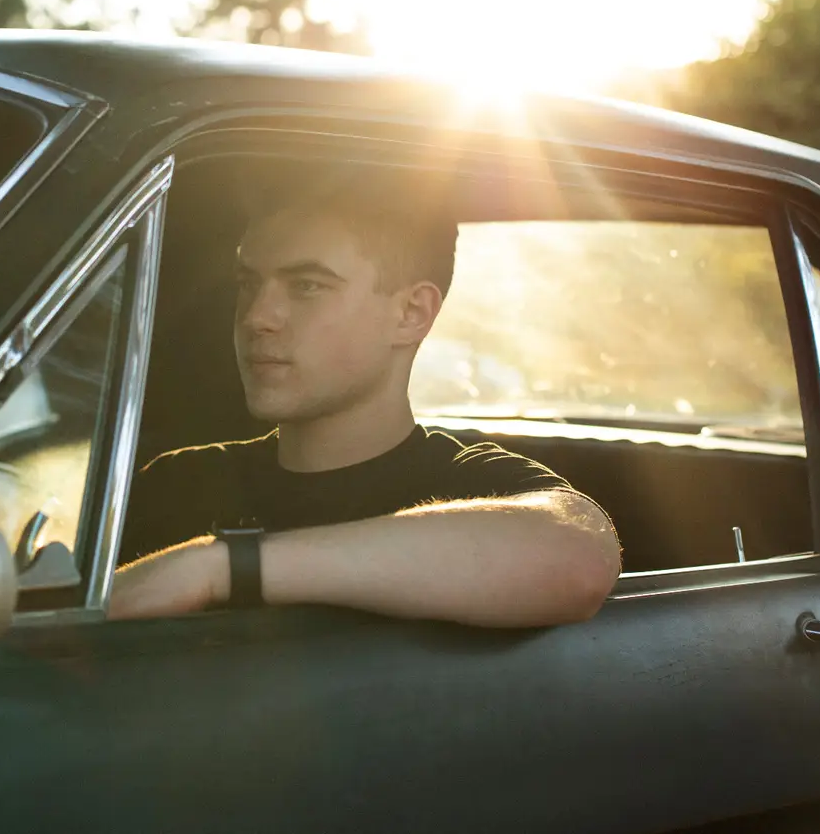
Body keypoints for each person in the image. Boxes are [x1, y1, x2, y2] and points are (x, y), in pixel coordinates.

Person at [109, 184, 621, 627]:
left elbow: (578, 555)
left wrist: (220, 569)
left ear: (410, 313)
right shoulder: (179, 483)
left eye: (307, 286)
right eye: (248, 284)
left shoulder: (469, 485)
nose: (257, 317)